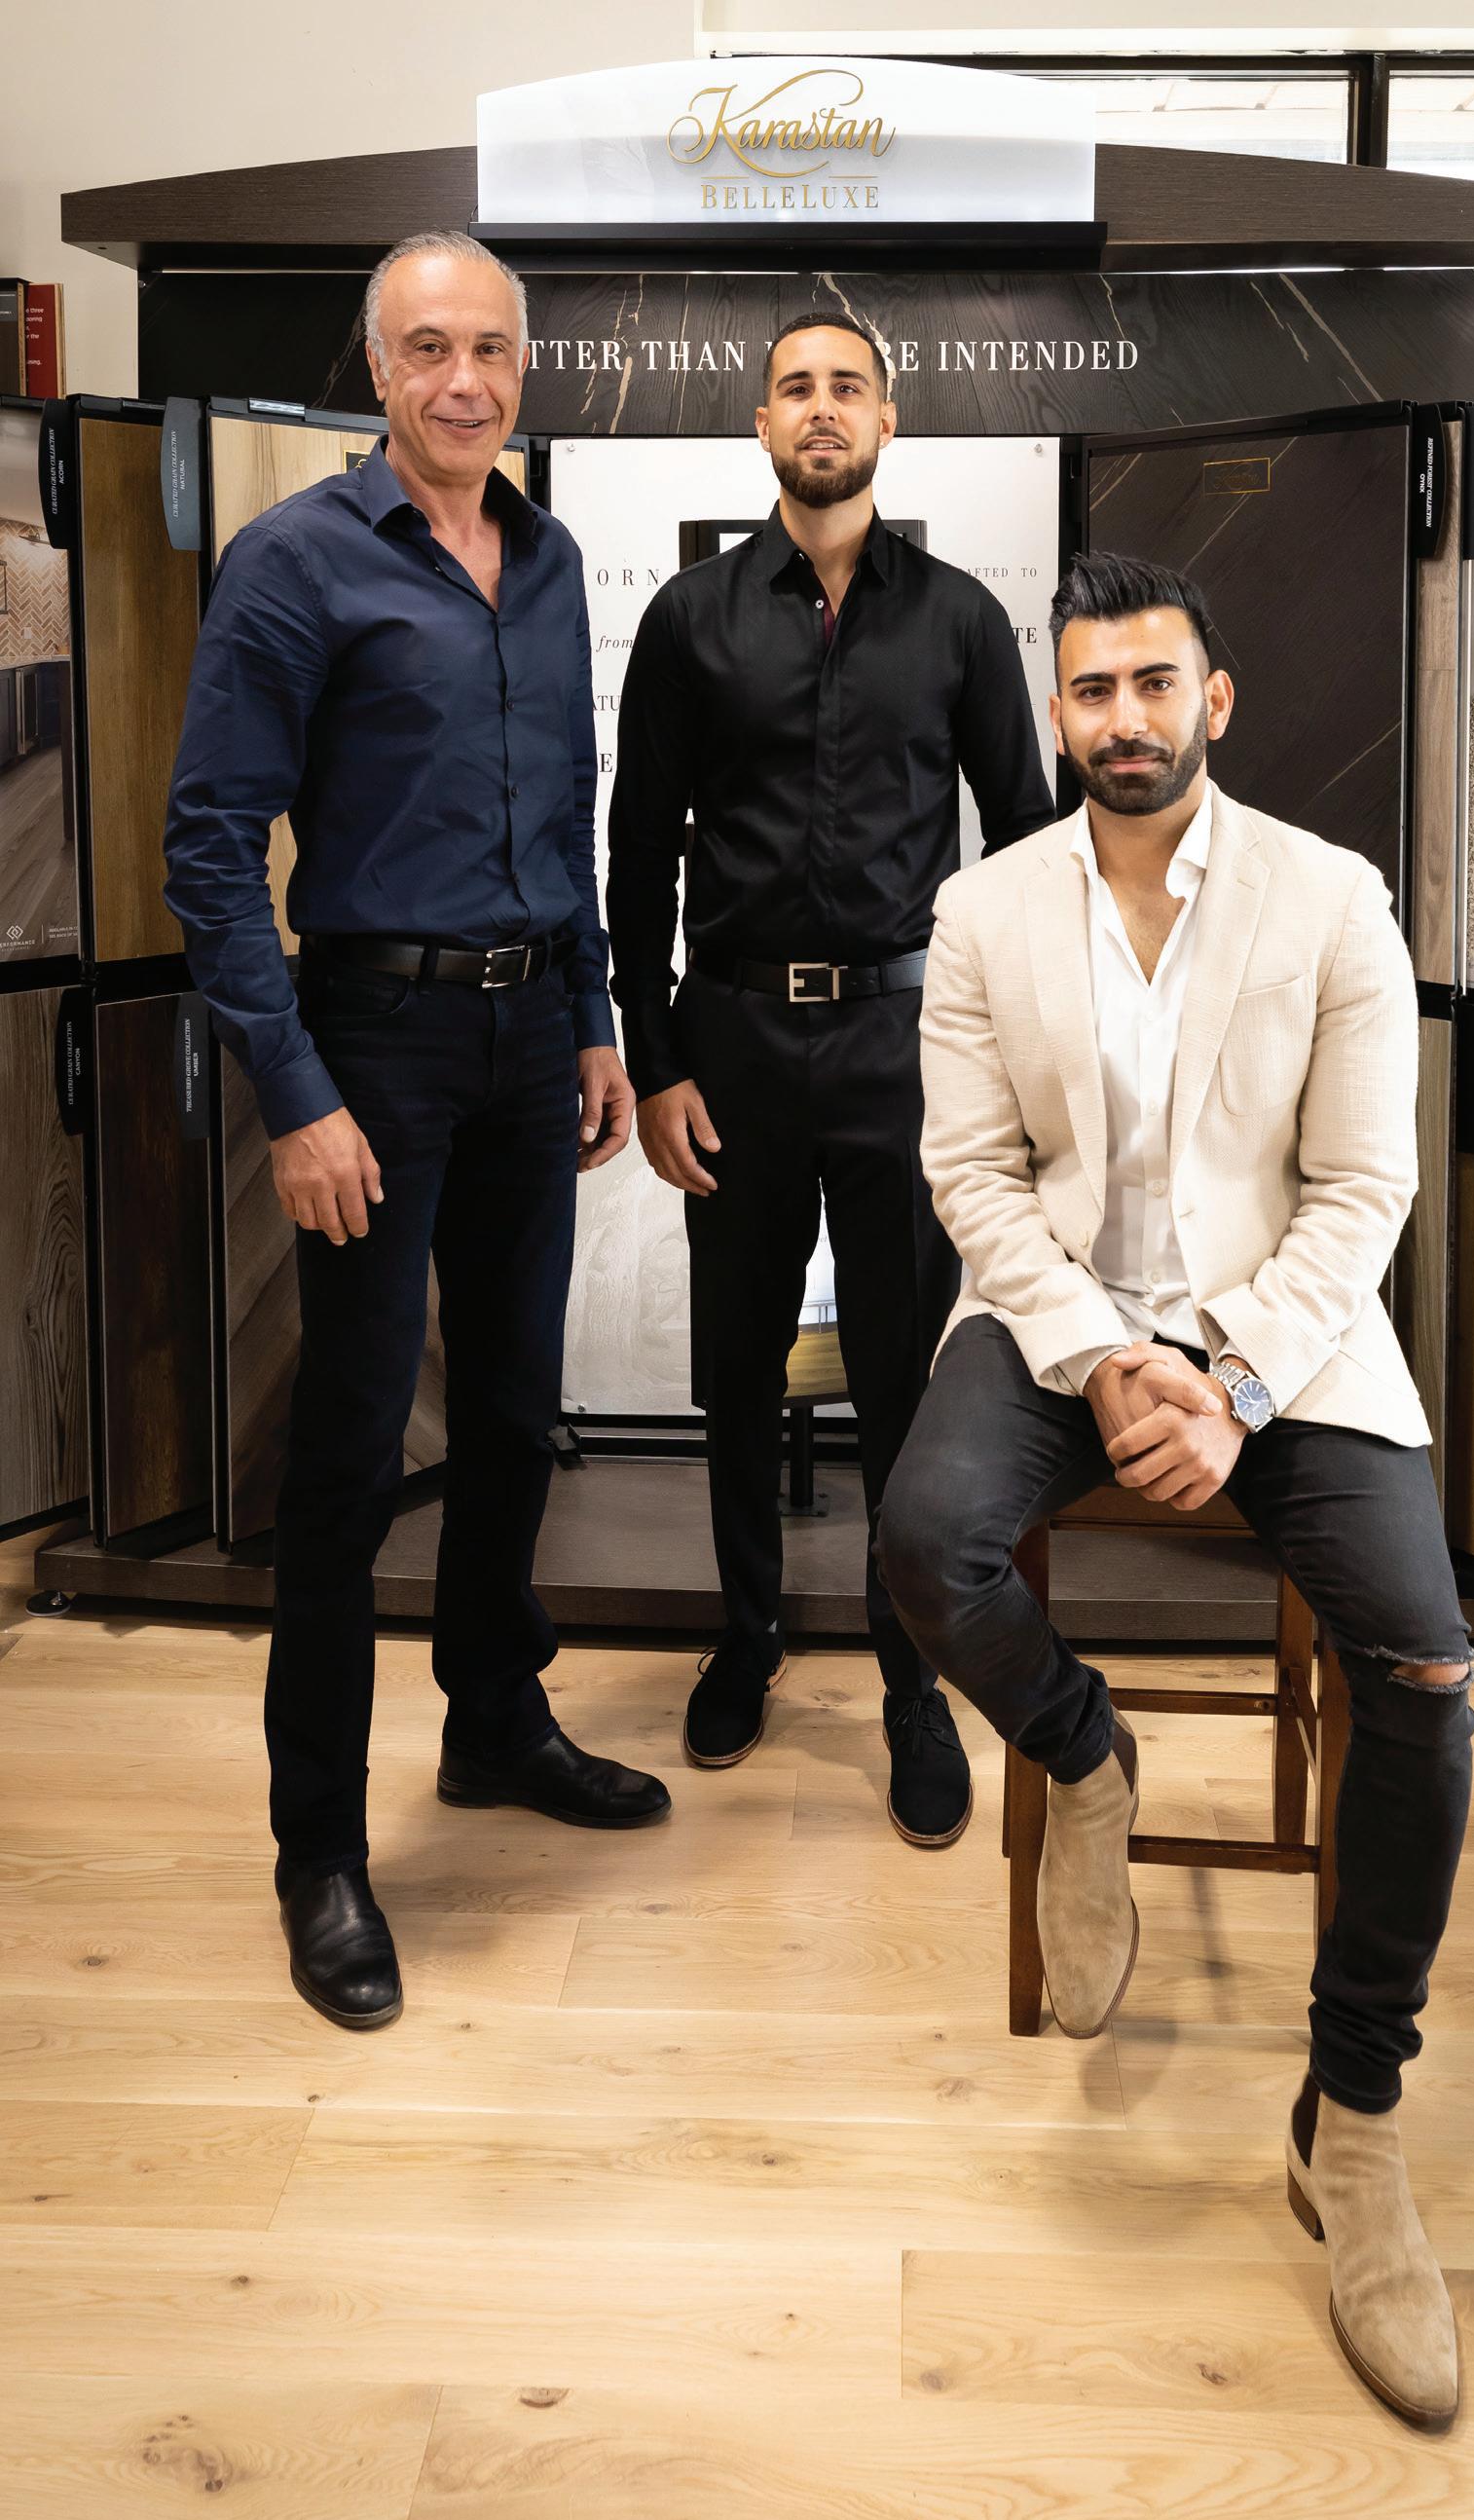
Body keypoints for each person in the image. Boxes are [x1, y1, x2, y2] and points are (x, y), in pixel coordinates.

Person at [878, 550, 1474, 2429]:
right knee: (922, 1545)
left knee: (1426, 1672)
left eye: (1153, 684)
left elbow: (1362, 1190)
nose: (1121, 718)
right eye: (1089, 689)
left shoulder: (1330, 895)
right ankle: (1081, 1753)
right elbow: (975, 1179)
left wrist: (1228, 1380)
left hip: (1282, 1336)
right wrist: (1103, 1357)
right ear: (1053, 712)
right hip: (1059, 1318)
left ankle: (1350, 2115)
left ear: (1212, 699)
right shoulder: (982, 909)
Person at [164, 230, 669, 2034]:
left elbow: (569, 811)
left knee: (519, 1410)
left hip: (534, 1035)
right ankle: (317, 1844)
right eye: (429, 349)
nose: (465, 380)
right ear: (376, 371)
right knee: (355, 1449)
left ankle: (493, 1720)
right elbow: (210, 845)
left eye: (491, 350)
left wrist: (594, 1016)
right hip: (372, 1037)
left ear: (523, 368)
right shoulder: (294, 561)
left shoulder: (549, 558)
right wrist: (294, 1092)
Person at [608, 313, 1054, 1844]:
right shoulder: (689, 618)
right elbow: (637, 853)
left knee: (900, 1377)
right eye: (795, 386)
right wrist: (653, 1060)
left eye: (846, 386)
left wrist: (1012, 1064)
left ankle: (910, 1680)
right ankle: (745, 1636)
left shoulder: (960, 620)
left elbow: (1028, 843)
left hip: (904, 1049)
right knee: (737, 1362)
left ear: (886, 418)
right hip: (730, 1041)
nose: (821, 408)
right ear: (760, 422)